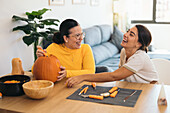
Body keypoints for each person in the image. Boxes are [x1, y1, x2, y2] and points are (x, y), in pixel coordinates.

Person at [66, 25, 159, 87]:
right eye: (127, 31)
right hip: (134, 88)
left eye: (131, 34)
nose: (125, 35)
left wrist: (82, 77)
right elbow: (121, 77)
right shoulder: (124, 51)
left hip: (149, 91)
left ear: (138, 44)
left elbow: (114, 76)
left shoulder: (140, 57)